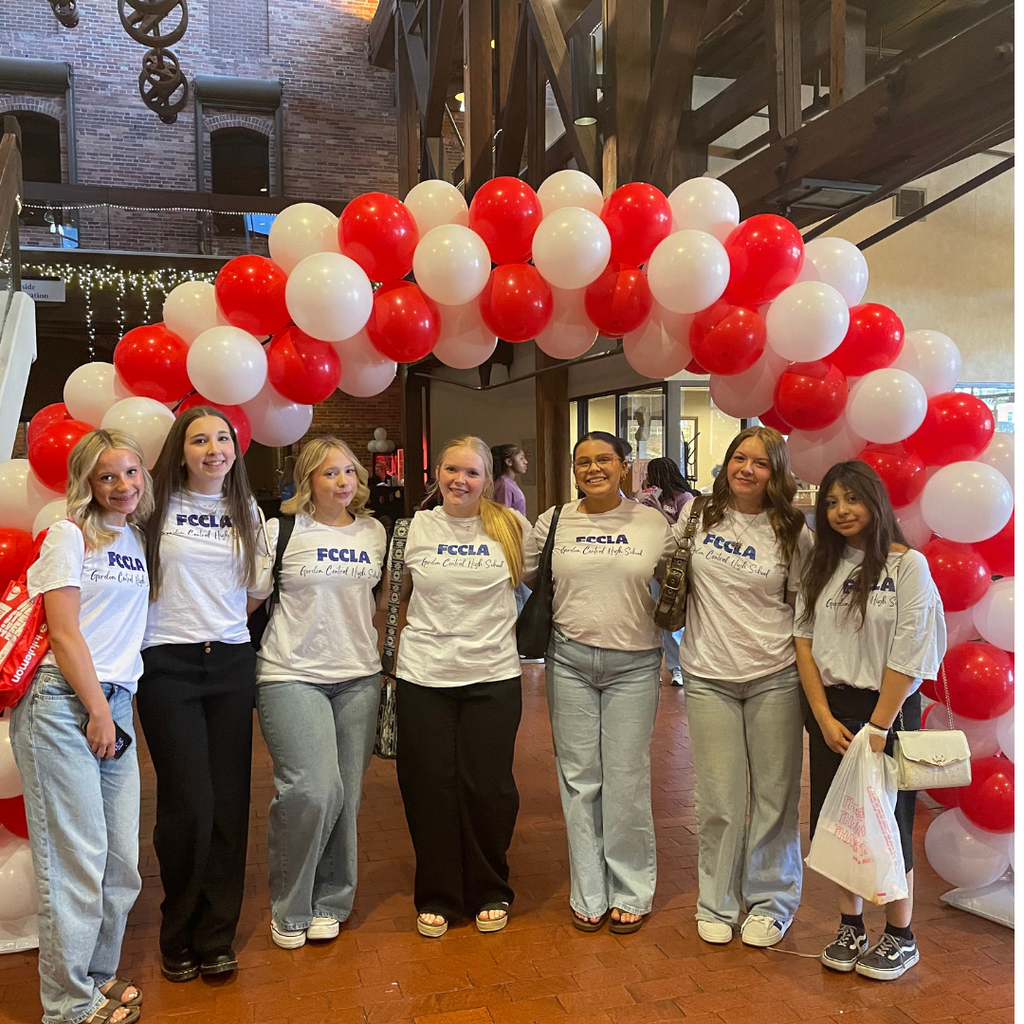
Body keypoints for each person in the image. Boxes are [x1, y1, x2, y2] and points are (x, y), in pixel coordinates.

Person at [11, 429, 152, 1024]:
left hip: (114, 701)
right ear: (87, 484)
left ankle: (95, 976)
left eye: (130, 473)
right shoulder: (69, 535)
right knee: (75, 857)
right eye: (107, 476)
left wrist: (110, 707)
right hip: (63, 702)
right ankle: (67, 1006)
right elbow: (64, 632)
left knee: (119, 858)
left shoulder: (136, 538)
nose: (122, 486)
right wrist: (96, 709)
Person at [795, 461, 945, 981]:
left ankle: (901, 936)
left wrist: (880, 726)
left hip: (888, 714)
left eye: (852, 499)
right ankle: (850, 925)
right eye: (832, 502)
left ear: (875, 502)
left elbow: (910, 652)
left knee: (890, 823)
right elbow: (804, 642)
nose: (841, 511)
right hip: (830, 714)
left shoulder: (909, 566)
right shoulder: (822, 564)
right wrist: (819, 713)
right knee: (838, 822)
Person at [137, 407, 271, 982]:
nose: (213, 448)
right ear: (181, 449)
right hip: (166, 663)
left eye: (223, 438)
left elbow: (256, 589)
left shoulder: (249, 511)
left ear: (235, 450)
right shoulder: (150, 508)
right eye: (200, 439)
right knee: (187, 803)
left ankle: (216, 936)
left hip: (231, 661)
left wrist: (218, 626)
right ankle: (178, 930)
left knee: (229, 801)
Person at [525, 430, 673, 934]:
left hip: (634, 665)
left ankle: (631, 888)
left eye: (604, 460)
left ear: (624, 464)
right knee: (579, 779)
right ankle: (589, 889)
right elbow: (525, 574)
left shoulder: (653, 522)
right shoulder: (554, 521)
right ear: (573, 470)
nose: (593, 469)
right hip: (568, 663)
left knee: (627, 779)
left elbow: (677, 583)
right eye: (583, 462)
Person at [675, 425, 812, 948]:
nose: (746, 469)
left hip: (774, 676)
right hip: (708, 674)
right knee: (718, 799)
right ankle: (716, 901)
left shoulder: (793, 531)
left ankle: (772, 900)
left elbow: (804, 607)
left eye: (760, 462)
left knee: (775, 797)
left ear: (775, 473)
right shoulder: (697, 515)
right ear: (726, 462)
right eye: (739, 458)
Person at [391, 435, 530, 938]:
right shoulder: (413, 528)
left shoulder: (512, 527)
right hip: (424, 676)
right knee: (429, 787)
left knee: (488, 788)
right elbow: (393, 599)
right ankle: (438, 893)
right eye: (452, 470)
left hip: (493, 675)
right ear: (438, 474)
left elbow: (539, 584)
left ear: (487, 480)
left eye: (472, 473)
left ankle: (490, 887)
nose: (460, 480)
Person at [255, 437, 388, 950]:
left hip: (358, 675)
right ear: (308, 479)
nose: (342, 482)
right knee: (311, 789)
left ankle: (331, 899)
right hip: (291, 673)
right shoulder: (282, 531)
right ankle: (291, 905)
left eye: (349, 472)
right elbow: (249, 600)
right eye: (330, 473)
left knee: (345, 795)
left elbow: (378, 605)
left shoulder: (375, 532)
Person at [640, 457, 698, 688]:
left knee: (674, 618)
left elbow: (683, 530)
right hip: (655, 563)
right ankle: (655, 666)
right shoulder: (654, 497)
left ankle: (678, 667)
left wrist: (658, 510)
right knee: (655, 616)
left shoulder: (685, 499)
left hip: (678, 566)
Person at [491, 444, 531, 617]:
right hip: (511, 544)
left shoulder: (509, 484)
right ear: (508, 462)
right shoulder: (504, 485)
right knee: (520, 596)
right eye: (521, 458)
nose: (525, 462)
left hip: (517, 541)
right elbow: (503, 516)